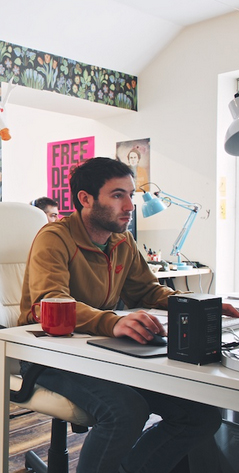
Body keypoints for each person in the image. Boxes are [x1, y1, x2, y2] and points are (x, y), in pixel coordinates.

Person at [19, 157, 239, 473]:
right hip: (47, 354)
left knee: (200, 415)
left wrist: (198, 305)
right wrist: (114, 321)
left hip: (99, 351)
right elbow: (52, 302)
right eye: (118, 195)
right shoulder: (54, 238)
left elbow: (148, 291)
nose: (130, 205)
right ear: (86, 199)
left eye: (131, 194)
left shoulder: (122, 240)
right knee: (125, 412)